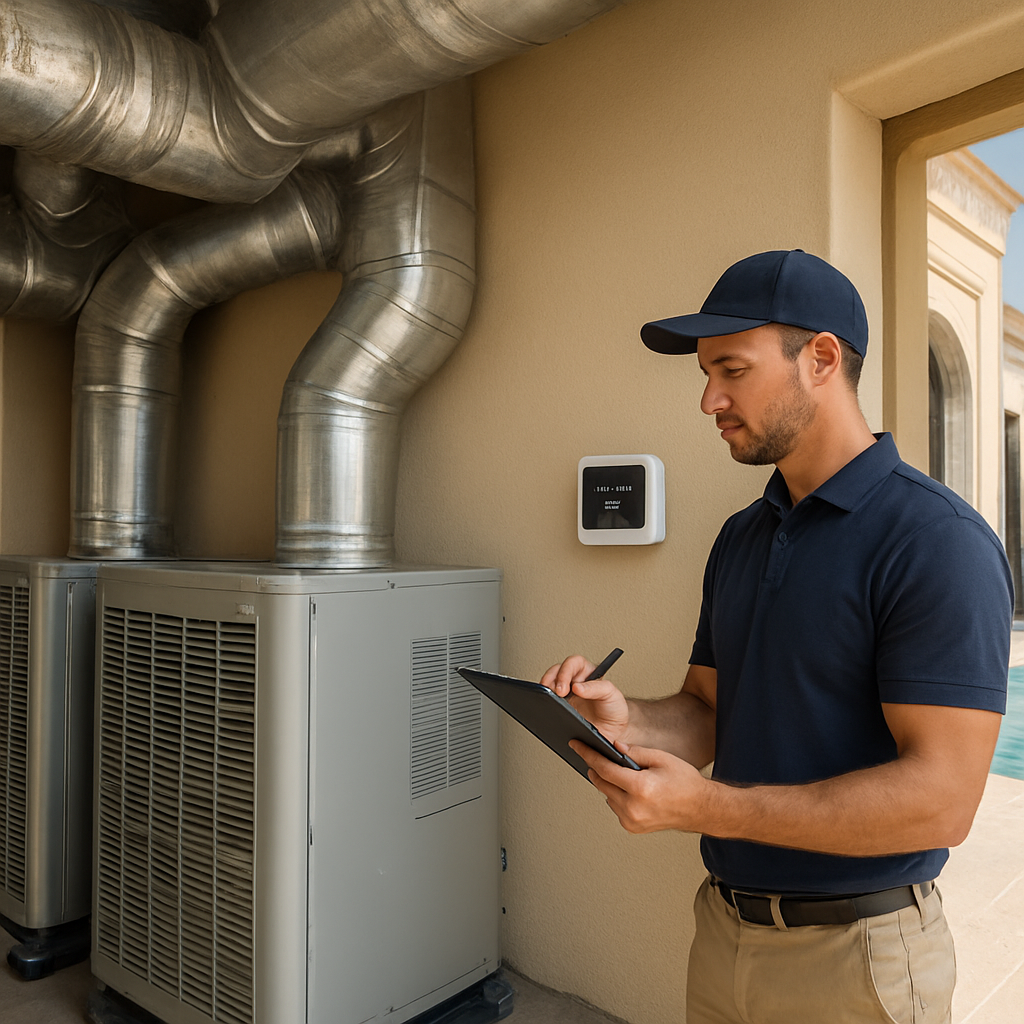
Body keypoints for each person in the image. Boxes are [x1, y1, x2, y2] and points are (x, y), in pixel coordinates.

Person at [541, 249, 1012, 1024]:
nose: (708, 400)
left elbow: (942, 803)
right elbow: (708, 709)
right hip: (723, 934)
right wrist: (627, 720)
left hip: (860, 960)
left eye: (731, 369)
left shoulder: (936, 541)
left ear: (821, 358)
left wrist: (709, 808)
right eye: (705, 373)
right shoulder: (742, 536)